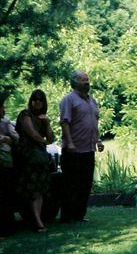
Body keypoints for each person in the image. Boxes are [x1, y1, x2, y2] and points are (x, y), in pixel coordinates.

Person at [59, 71, 104, 223]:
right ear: (74, 82)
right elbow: (65, 122)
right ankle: (67, 217)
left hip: (88, 148)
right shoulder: (69, 100)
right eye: (82, 80)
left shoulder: (92, 100)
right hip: (73, 150)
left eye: (87, 79)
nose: (86, 82)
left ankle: (79, 215)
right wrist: (69, 142)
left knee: (85, 184)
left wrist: (98, 141)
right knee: (71, 184)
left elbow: (94, 123)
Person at [15, 89, 54, 232]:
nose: (37, 102)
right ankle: (37, 222)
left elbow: (51, 139)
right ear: (30, 101)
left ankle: (38, 221)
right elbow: (31, 133)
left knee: (39, 191)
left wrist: (47, 123)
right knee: (33, 190)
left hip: (40, 157)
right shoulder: (25, 114)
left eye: (40, 99)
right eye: (34, 99)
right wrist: (43, 141)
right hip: (28, 156)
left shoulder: (43, 118)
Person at [0, 94, 19, 236]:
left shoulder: (6, 122)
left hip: (6, 161)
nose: (3, 109)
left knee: (6, 194)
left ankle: (8, 226)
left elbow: (16, 138)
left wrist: (7, 139)